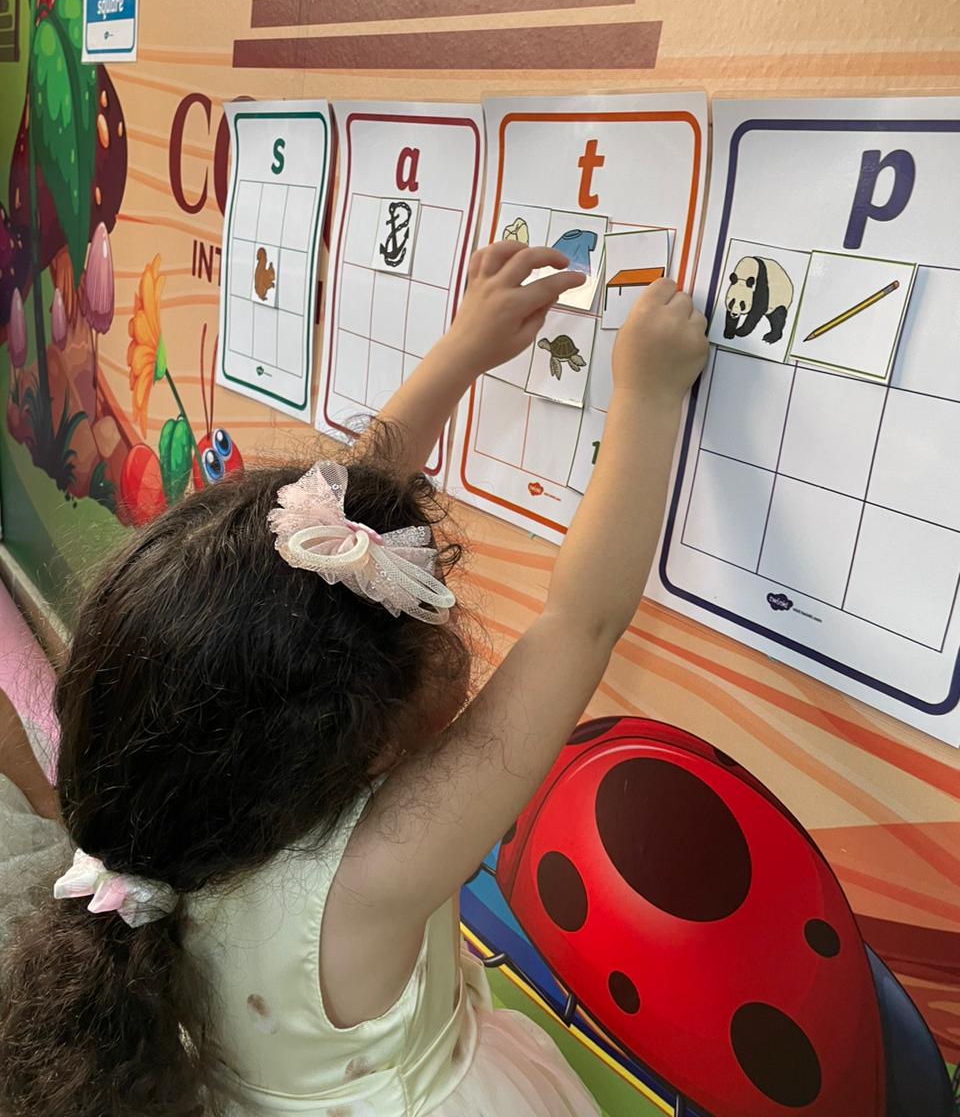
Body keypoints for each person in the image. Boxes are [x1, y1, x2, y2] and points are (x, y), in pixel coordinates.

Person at [0, 240, 707, 1117]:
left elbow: (322, 527)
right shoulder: (380, 867)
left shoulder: (161, 820)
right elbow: (580, 622)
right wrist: (647, 396)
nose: (444, 613)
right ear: (371, 742)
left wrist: (464, 346)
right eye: (429, 602)